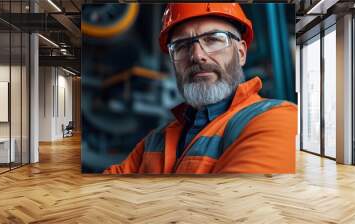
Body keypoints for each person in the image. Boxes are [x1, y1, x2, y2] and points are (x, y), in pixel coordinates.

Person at [104, 3, 297, 174]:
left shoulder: (277, 119)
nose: (196, 55)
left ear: (241, 53)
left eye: (213, 39)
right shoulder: (156, 139)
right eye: (181, 46)